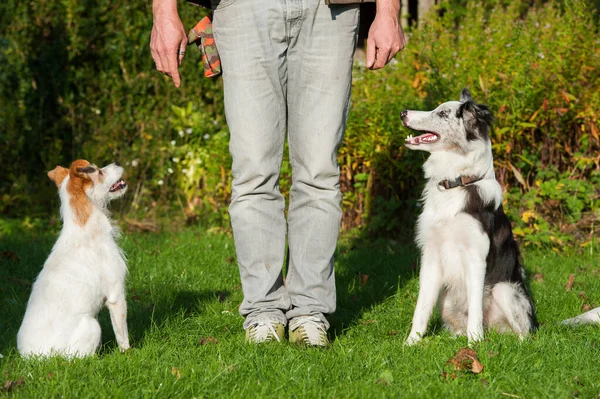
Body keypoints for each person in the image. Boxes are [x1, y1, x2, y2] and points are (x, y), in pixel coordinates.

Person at [151, 0, 406, 346]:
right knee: (253, 172)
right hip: (242, 7)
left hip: (331, 11)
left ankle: (309, 311)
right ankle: (264, 311)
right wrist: (164, 13)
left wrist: (388, 12)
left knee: (319, 172)